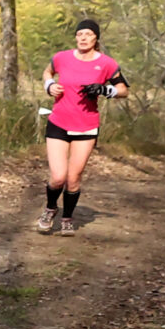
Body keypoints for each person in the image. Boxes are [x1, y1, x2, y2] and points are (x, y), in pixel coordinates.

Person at [38, 20, 130, 235]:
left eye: (88, 34)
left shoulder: (107, 63)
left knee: (73, 179)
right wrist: (49, 85)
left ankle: (67, 218)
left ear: (96, 38)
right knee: (58, 177)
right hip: (59, 122)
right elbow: (47, 72)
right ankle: (50, 209)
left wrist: (106, 90)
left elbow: (123, 90)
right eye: (79, 34)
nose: (83, 38)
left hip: (86, 127)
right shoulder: (62, 57)